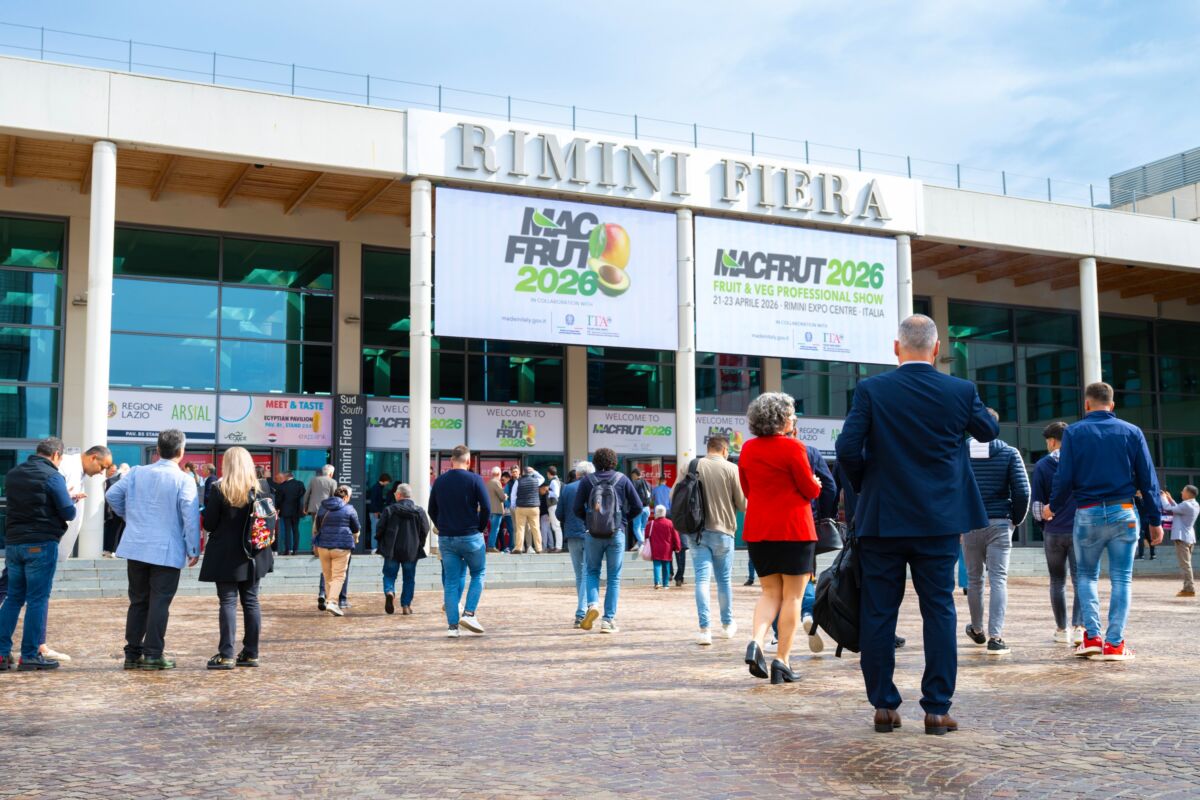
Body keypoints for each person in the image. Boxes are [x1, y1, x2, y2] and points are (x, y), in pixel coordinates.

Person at [836, 314, 998, 734]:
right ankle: (937, 709)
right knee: (939, 610)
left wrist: (864, 484)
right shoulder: (960, 390)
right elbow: (988, 429)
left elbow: (847, 448)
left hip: (883, 519)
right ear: (938, 348)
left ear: (896, 348)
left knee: (878, 612)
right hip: (939, 520)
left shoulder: (872, 389)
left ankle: (884, 706)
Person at [1050, 381, 1162, 662]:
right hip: (1123, 511)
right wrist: (1155, 520)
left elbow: (1064, 478)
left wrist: (1055, 506)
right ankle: (1114, 644)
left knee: (1086, 576)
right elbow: (1148, 480)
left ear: (1086, 404)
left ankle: (1091, 637)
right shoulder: (1132, 432)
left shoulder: (1073, 433)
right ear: (1112, 405)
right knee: (1122, 578)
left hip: (1087, 512)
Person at [739, 393, 822, 685]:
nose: (793, 418)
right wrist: (817, 483)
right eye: (792, 414)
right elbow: (810, 490)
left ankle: (756, 642)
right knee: (793, 597)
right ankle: (782, 661)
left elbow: (748, 490)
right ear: (782, 418)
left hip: (759, 531)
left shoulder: (747, 449)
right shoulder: (793, 448)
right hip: (794, 530)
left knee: (769, 593)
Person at [108, 429, 201, 671]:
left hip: (137, 545)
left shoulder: (137, 472)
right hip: (166, 549)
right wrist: (194, 548)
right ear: (181, 452)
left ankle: (132, 653)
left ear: (157, 451)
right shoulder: (184, 479)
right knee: (160, 602)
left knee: (138, 600)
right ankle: (152, 653)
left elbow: (111, 494)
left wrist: (131, 517)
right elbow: (190, 517)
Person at [0, 437, 81, 671]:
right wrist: (70, 499)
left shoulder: (14, 474)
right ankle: (30, 655)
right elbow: (67, 512)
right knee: (37, 599)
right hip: (40, 543)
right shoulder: (53, 476)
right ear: (56, 455)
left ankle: (2, 653)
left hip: (14, 544)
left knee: (14, 598)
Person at [962, 409, 1030, 657]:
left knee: (974, 580)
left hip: (970, 523)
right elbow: (1022, 491)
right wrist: (1016, 520)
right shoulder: (1010, 453)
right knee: (998, 580)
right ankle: (996, 637)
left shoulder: (960, 453)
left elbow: (951, 487)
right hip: (1000, 523)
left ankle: (977, 629)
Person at [199, 447, 274, 669]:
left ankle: (227, 654)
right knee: (251, 602)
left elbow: (210, 524)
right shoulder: (262, 488)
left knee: (228, 602)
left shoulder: (220, 489)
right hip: (254, 553)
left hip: (226, 554)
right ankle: (251, 653)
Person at [572, 447, 643, 633]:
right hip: (615, 533)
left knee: (592, 571)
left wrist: (589, 521)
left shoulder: (588, 480)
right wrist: (623, 521)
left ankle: (592, 604)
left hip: (593, 534)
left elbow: (576, 508)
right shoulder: (622, 479)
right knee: (614, 578)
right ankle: (608, 620)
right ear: (614, 462)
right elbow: (638, 506)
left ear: (595, 462)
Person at [688, 434, 746, 646]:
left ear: (708, 447)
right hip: (724, 532)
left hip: (696, 532)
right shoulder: (732, 469)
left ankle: (705, 630)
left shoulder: (692, 466)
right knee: (723, 581)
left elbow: (677, 493)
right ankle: (727, 625)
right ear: (724, 450)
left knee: (702, 580)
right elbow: (743, 504)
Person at [428, 445, 491, 637]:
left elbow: (431, 509)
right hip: (470, 535)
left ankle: (452, 627)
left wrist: (443, 525)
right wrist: (479, 528)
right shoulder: (475, 479)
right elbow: (487, 507)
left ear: (451, 461)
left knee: (451, 582)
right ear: (469, 461)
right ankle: (469, 613)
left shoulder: (440, 481)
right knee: (478, 573)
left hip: (447, 538)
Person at [1031, 421, 1084, 644]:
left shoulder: (1043, 466)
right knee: (1081, 580)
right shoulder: (1082, 463)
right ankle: (1080, 628)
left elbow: (1036, 505)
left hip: (1053, 532)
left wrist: (1045, 524)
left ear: (1053, 441)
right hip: (1079, 531)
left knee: (1057, 581)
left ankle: (1062, 630)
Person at [375, 483, 430, 615]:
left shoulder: (389, 510)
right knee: (409, 578)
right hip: (411, 550)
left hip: (391, 549)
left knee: (389, 575)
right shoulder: (419, 511)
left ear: (399, 495)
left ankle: (389, 591)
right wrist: (419, 543)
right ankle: (406, 605)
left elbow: (380, 529)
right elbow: (425, 529)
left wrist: (381, 542)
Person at [54, 444, 114, 561]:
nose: (102, 472)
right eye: (102, 467)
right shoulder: (67, 465)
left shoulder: (79, 471)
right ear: (93, 458)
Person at [313, 485, 360, 617]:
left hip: (323, 546)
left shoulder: (323, 507)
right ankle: (333, 602)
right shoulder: (349, 509)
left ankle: (329, 601)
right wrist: (355, 539)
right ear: (345, 497)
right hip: (341, 546)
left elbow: (316, 526)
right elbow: (356, 528)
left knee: (328, 576)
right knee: (339, 576)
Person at [557, 462, 593, 627]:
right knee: (586, 573)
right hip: (589, 533)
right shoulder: (593, 487)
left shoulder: (567, 488)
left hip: (572, 534)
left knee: (580, 575)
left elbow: (559, 513)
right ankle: (581, 612)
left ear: (577, 473)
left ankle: (583, 611)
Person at [1161, 486, 1198, 598]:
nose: (1181, 492)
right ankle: (1188, 587)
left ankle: (1189, 589)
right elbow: (1178, 508)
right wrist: (1170, 499)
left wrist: (1163, 498)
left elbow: (1167, 508)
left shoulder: (1186, 505)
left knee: (1185, 565)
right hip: (1189, 537)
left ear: (1188, 493)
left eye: (1183, 490)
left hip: (1182, 538)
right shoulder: (1194, 504)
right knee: (1187, 564)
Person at [510, 465, 544, 554]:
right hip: (534, 508)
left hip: (521, 507)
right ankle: (539, 548)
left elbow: (513, 494)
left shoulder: (518, 481)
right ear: (531, 473)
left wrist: (513, 505)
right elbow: (543, 478)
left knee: (520, 528)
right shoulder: (536, 480)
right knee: (535, 528)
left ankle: (519, 548)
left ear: (523, 473)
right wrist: (535, 471)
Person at [646, 505, 680, 589]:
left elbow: (646, 535)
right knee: (666, 565)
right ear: (664, 513)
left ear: (656, 513)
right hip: (667, 548)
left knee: (657, 565)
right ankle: (666, 584)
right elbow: (676, 536)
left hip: (655, 548)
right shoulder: (670, 523)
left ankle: (657, 582)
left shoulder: (651, 524)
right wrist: (677, 547)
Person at [272, 471, 306, 556]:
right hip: (296, 511)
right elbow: (303, 495)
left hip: (285, 511)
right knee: (295, 530)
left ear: (286, 477)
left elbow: (278, 500)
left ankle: (287, 550)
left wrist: (277, 508)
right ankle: (295, 550)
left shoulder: (282, 486)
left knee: (287, 530)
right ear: (292, 476)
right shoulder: (300, 484)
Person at [363, 473, 391, 554]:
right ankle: (374, 548)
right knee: (375, 530)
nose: (388, 483)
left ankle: (376, 547)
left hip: (376, 512)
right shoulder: (376, 488)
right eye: (388, 481)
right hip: (375, 512)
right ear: (385, 480)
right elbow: (373, 501)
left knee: (377, 530)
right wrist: (375, 511)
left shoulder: (378, 487)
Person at [628, 468, 652, 551]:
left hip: (639, 509)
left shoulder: (635, 483)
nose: (632, 477)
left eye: (632, 476)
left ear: (635, 475)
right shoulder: (648, 483)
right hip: (647, 508)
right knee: (643, 528)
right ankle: (640, 544)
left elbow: (631, 495)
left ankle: (642, 542)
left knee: (636, 527)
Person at [102, 463, 124, 557]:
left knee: (115, 530)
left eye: (115, 470)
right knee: (112, 530)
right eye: (112, 470)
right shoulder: (110, 481)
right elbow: (110, 496)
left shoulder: (114, 481)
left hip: (114, 511)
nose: (114, 471)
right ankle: (109, 549)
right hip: (112, 511)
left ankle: (111, 550)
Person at [486, 467, 507, 553]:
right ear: (498, 474)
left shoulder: (488, 483)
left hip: (490, 510)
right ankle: (491, 546)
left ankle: (491, 545)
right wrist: (505, 496)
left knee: (493, 529)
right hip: (497, 510)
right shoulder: (497, 482)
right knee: (495, 529)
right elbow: (502, 497)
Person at [544, 466, 563, 553]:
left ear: (548, 473)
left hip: (553, 505)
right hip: (554, 506)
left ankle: (558, 547)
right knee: (556, 526)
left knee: (556, 527)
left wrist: (548, 491)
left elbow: (556, 494)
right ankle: (557, 546)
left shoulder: (554, 482)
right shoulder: (556, 480)